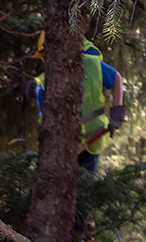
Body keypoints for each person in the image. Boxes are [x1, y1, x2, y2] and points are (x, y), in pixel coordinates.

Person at [34, 32, 126, 174]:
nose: (46, 60)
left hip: (93, 139)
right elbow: (45, 123)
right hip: (63, 152)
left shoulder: (91, 64)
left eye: (46, 54)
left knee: (86, 188)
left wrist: (117, 114)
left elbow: (116, 78)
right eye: (44, 56)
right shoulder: (42, 84)